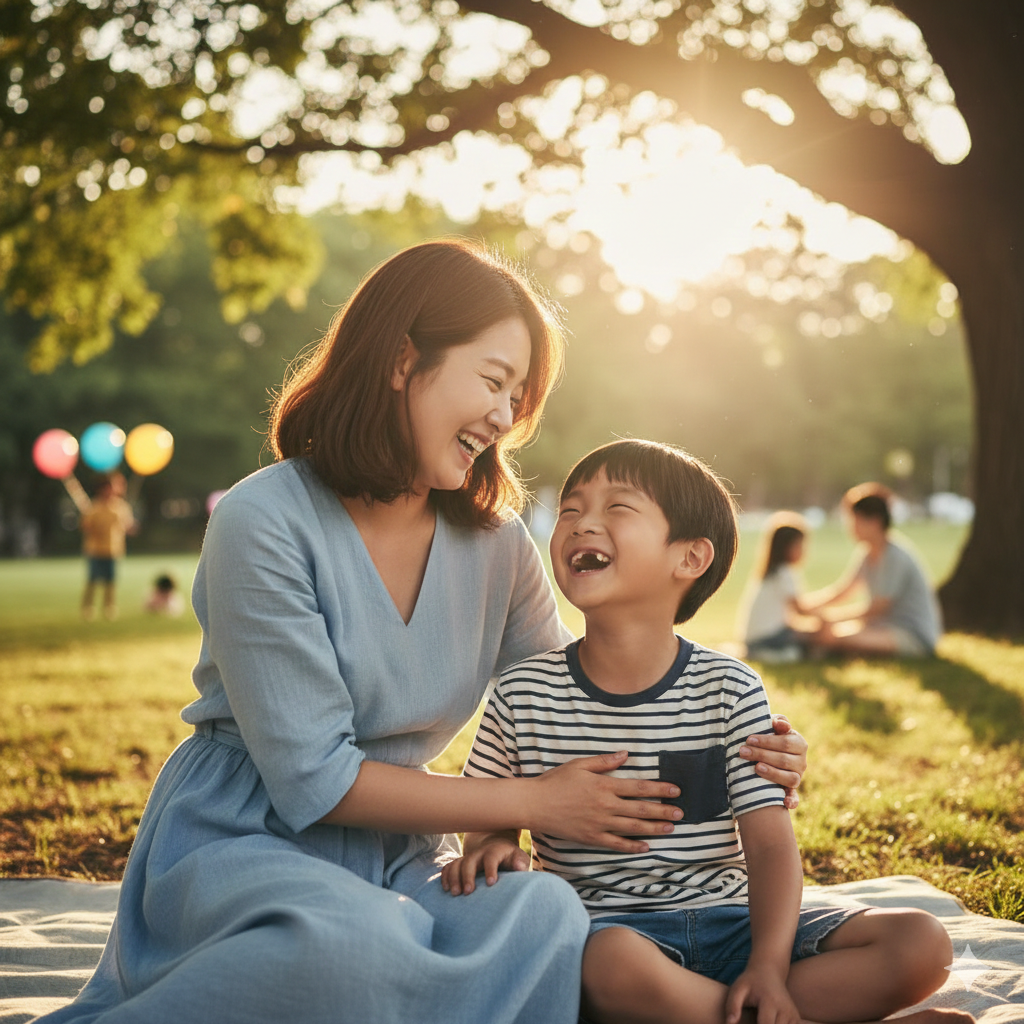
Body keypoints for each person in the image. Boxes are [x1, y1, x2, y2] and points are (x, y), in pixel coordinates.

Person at [37, 241, 808, 1024]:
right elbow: (315, 781)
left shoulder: (495, 544)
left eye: (518, 399)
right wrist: (532, 802)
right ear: (404, 359)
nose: (506, 418)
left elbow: (580, 711)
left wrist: (745, 753)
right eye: (494, 382)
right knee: (347, 951)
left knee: (544, 917)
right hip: (245, 837)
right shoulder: (262, 521)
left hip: (403, 849)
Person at [445, 440, 963, 1024]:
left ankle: (738, 1008)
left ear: (689, 559)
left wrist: (767, 966)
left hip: (734, 921)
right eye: (570, 509)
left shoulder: (730, 686)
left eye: (617, 508)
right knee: (606, 969)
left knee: (921, 943)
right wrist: (493, 855)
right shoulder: (521, 692)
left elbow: (769, 846)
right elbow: (489, 830)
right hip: (612, 933)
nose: (582, 522)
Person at [804, 483, 943, 657]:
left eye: (855, 520)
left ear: (875, 522)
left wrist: (832, 618)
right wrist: (806, 606)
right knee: (832, 634)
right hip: (883, 627)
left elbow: (878, 608)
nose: (850, 527)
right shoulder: (867, 554)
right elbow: (844, 590)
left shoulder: (895, 557)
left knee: (839, 637)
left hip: (912, 635)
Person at [738, 512, 820, 662]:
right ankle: (775, 654)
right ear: (786, 547)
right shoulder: (784, 573)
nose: (803, 551)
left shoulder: (771, 574)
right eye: (799, 545)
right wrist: (825, 619)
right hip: (769, 637)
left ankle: (771, 653)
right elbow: (800, 610)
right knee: (817, 637)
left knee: (806, 637)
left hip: (754, 638)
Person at [79, 472, 136, 621]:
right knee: (92, 580)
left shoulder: (121, 506)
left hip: (113, 549)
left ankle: (109, 607)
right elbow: (86, 526)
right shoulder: (94, 506)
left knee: (111, 582)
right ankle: (87, 607)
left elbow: (127, 525)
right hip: (95, 549)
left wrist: (131, 528)